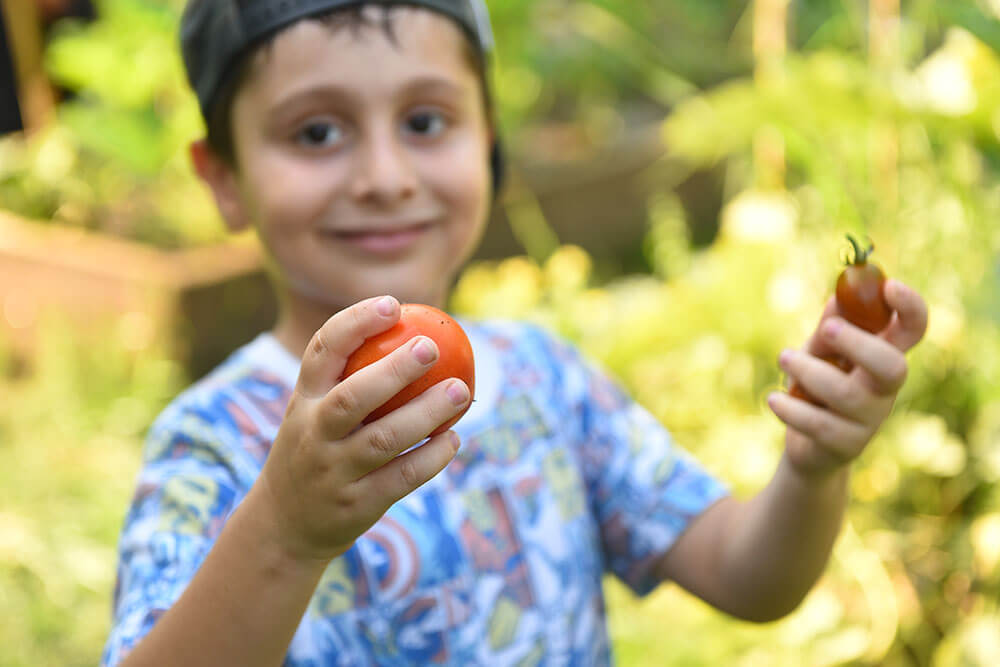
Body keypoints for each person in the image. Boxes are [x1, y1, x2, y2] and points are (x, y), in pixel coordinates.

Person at [102, 1, 929, 665]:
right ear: (224, 177)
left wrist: (815, 465)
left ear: (489, 143)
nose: (385, 178)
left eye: (426, 122)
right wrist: (284, 529)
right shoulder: (213, 448)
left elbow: (748, 577)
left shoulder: (547, 380)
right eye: (317, 132)